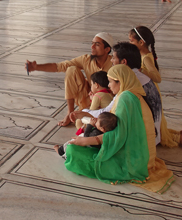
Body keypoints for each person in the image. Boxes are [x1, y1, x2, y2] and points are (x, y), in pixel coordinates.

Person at [63, 64, 175, 194]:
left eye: (110, 82)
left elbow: (118, 135)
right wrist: (86, 116)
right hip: (140, 154)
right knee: (81, 141)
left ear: (120, 81)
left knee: (73, 151)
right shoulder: (128, 94)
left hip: (132, 160)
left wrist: (86, 141)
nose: (108, 85)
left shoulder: (126, 99)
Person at [128, 27, 182, 151]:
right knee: (156, 122)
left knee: (155, 121)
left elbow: (158, 77)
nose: (130, 44)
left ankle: (179, 137)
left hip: (151, 91)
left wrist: (142, 70)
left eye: (131, 41)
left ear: (141, 42)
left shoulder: (146, 58)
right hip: (147, 89)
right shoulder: (141, 55)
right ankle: (178, 135)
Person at [25, 32, 115, 126]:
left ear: (107, 49)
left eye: (97, 44)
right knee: (71, 70)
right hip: (89, 99)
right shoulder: (86, 59)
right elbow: (59, 66)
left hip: (107, 102)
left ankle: (89, 114)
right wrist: (36, 67)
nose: (92, 47)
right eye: (92, 43)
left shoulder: (113, 62)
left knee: (83, 124)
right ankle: (70, 112)